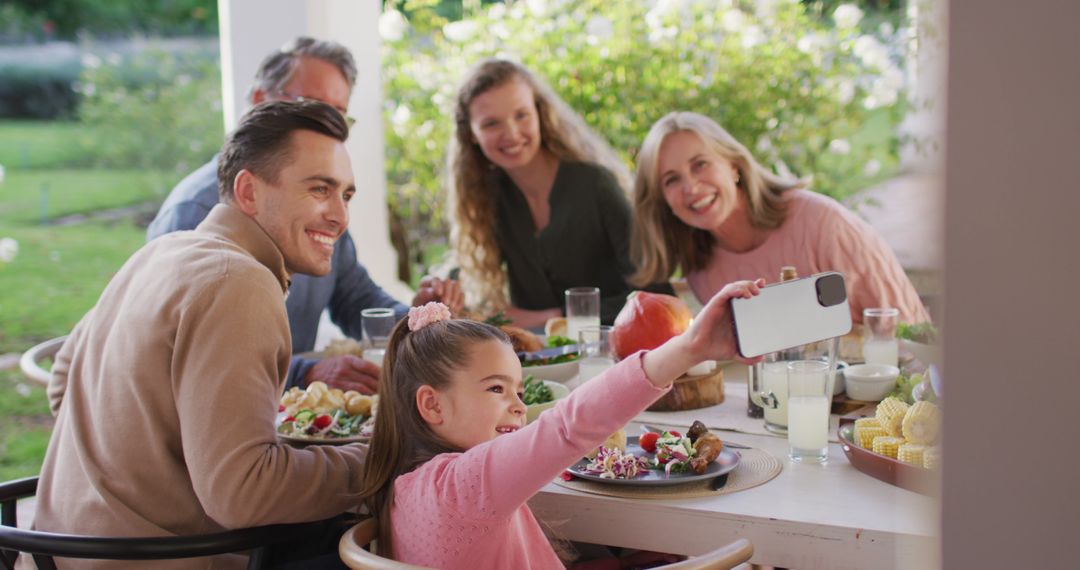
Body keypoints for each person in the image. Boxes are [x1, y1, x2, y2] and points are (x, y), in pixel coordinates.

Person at [35, 101, 371, 569]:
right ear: (249, 192)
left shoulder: (162, 252)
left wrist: (159, 460)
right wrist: (382, 460)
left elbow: (62, 382)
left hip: (63, 555)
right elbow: (244, 495)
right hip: (162, 560)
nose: (339, 216)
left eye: (347, 195)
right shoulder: (239, 282)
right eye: (320, 189)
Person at [357, 278, 762, 568]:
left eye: (519, 390)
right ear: (432, 405)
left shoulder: (403, 486)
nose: (518, 405)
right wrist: (689, 348)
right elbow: (567, 427)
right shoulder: (465, 485)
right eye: (496, 389)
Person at [147, 37, 462, 395]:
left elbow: (356, 299)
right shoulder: (195, 213)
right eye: (311, 105)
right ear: (259, 102)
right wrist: (306, 372)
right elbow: (191, 359)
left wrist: (417, 318)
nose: (325, 126)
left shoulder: (322, 209)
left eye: (337, 114)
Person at [630, 111, 930, 324]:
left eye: (700, 164)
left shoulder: (823, 225)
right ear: (661, 199)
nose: (691, 188)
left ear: (734, 165)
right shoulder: (701, 268)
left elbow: (908, 332)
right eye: (671, 180)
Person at [447, 58, 647, 329]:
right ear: (471, 133)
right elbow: (471, 284)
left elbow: (653, 294)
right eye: (491, 123)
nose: (511, 133)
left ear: (539, 113)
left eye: (521, 115)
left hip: (616, 355)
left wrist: (555, 317)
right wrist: (444, 292)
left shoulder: (596, 185)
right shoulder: (488, 199)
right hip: (536, 364)